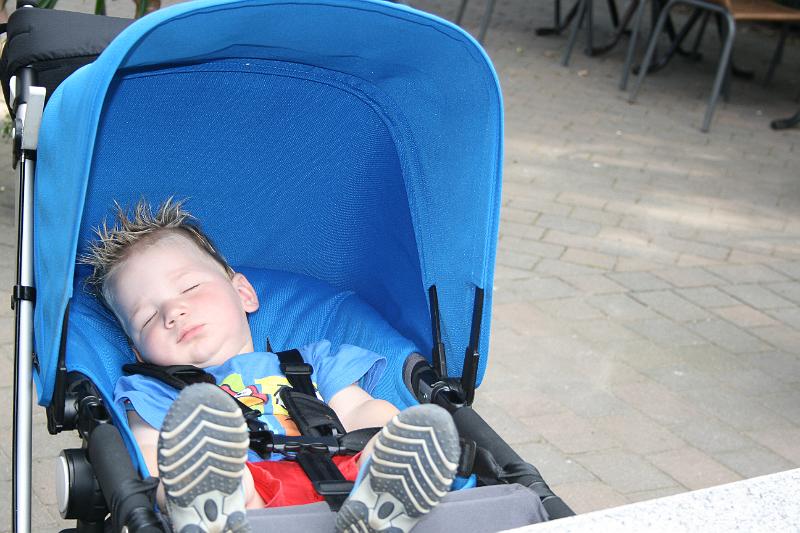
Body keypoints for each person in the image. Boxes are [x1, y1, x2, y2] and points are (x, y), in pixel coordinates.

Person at [80, 198, 460, 533]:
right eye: (147, 317)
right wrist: (176, 488)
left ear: (243, 294)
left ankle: (385, 500)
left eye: (189, 288)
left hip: (347, 486)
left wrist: (389, 436)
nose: (173, 311)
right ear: (139, 353)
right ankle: (211, 509)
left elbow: (358, 409)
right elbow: (148, 455)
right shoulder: (151, 391)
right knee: (224, 480)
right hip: (252, 499)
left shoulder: (311, 362)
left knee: (378, 450)